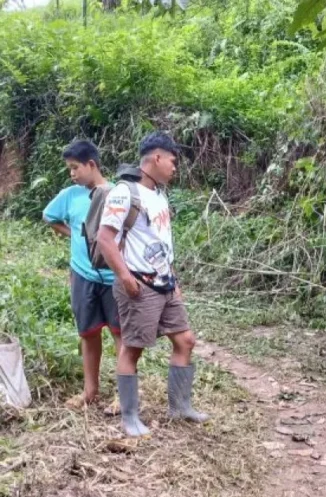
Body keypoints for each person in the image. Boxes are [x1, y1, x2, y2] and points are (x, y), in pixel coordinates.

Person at [97, 132, 208, 437]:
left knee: (185, 340)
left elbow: (160, 242)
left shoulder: (159, 194)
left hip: (164, 283)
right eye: (173, 161)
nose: (175, 168)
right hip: (138, 284)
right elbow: (105, 239)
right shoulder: (124, 193)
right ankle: (130, 417)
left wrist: (173, 278)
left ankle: (180, 407)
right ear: (156, 158)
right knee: (133, 349)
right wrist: (125, 277)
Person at [42, 140, 121, 409]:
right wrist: (74, 234)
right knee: (88, 333)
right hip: (82, 276)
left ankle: (124, 394)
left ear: (92, 164)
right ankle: (90, 392)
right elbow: (49, 216)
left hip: (113, 278)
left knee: (120, 334)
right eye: (69, 169)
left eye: (75, 168)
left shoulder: (116, 194)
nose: (72, 174)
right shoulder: (70, 195)